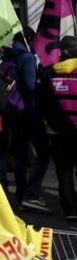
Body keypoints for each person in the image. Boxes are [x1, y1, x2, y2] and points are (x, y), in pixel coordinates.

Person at [2, 28, 52, 213]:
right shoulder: (27, 58)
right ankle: (31, 193)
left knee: (20, 156)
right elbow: (31, 86)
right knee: (44, 153)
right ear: (29, 40)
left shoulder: (7, 57)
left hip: (13, 112)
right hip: (28, 112)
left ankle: (21, 197)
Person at [40, 36, 77, 220]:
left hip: (58, 130)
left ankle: (71, 210)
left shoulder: (50, 72)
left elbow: (43, 100)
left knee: (64, 170)